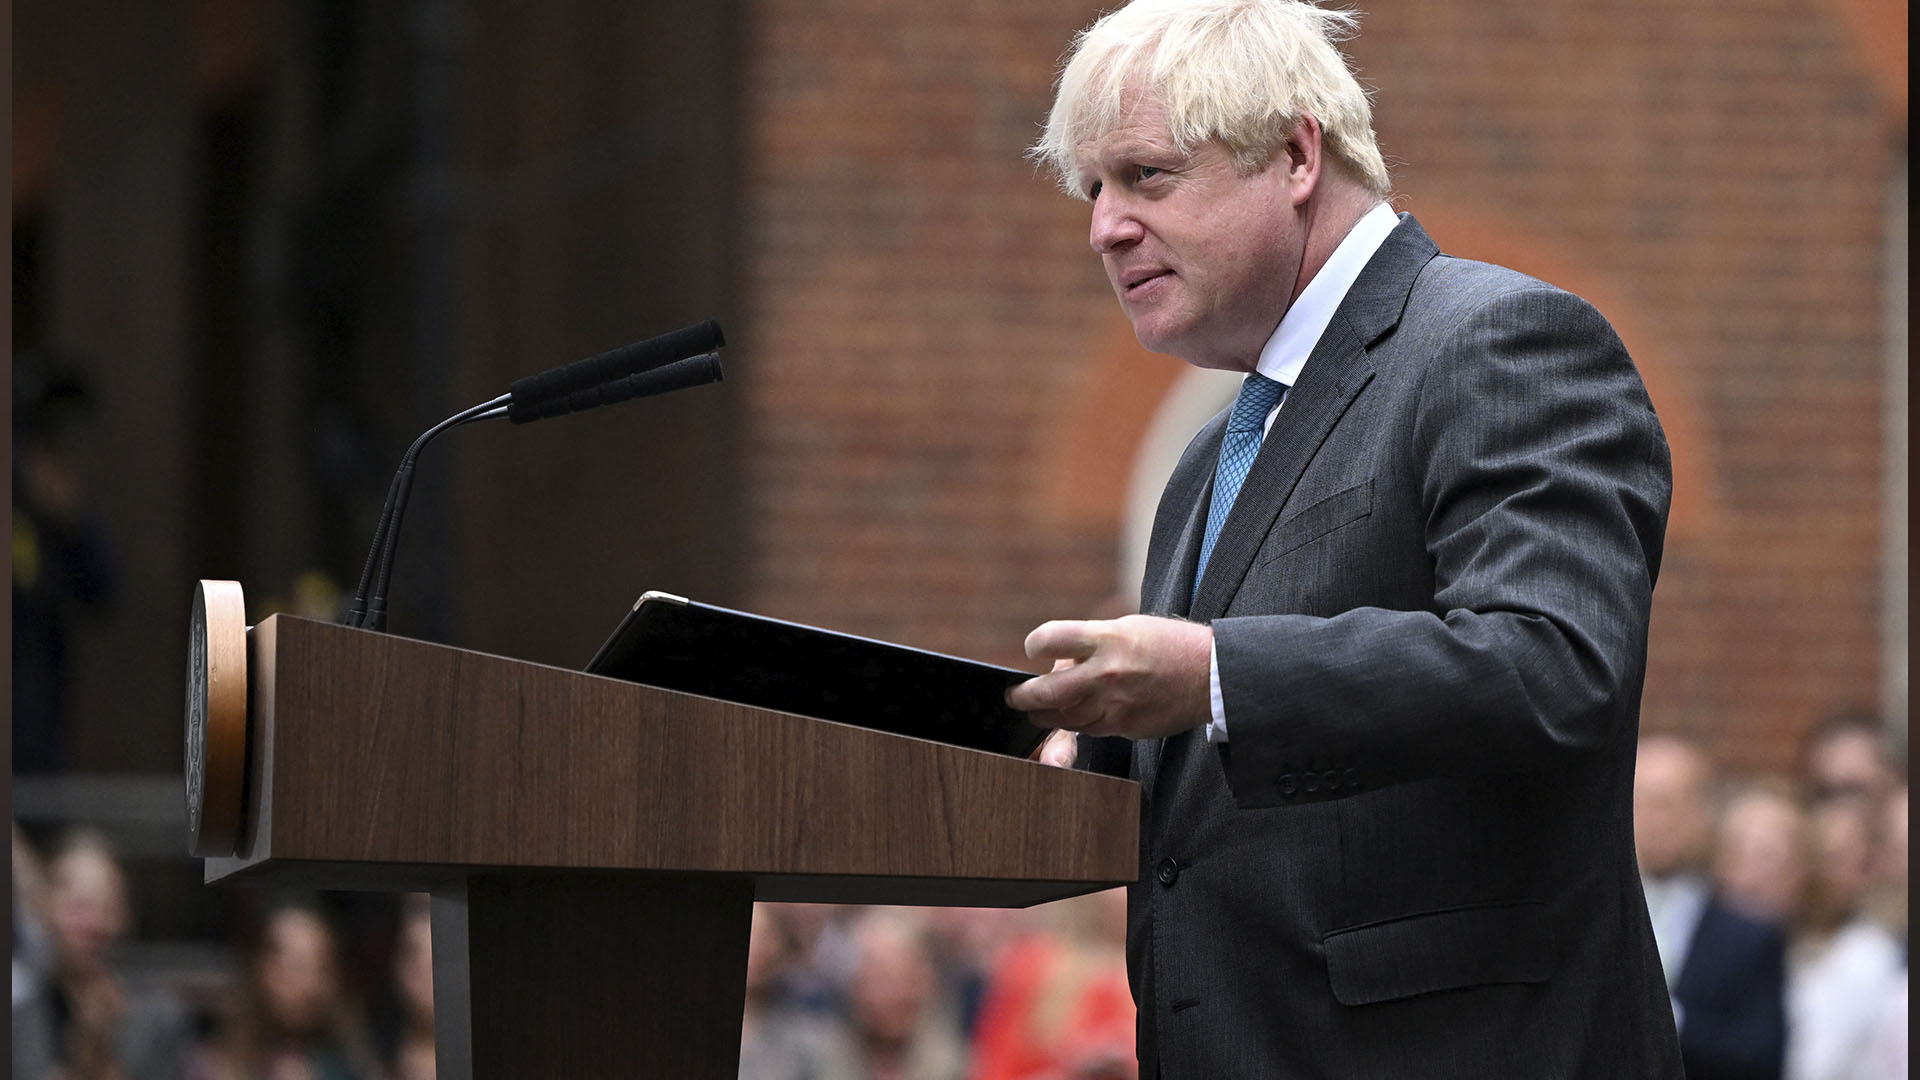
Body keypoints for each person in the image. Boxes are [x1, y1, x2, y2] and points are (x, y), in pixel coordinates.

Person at [1008, 1, 1679, 1075]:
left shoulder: (1498, 341)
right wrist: (1091, 750)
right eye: (1094, 189)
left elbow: (1555, 667)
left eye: (1145, 176)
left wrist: (1215, 674)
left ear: (1295, 154)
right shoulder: (1208, 460)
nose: (1105, 227)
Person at [1635, 735, 1789, 1080]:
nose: (1655, 821)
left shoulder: (1749, 935)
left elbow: (1761, 1053)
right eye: (1641, 803)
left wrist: (1672, 1020)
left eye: (1667, 804)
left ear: (1703, 813)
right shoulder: (1588, 924)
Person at [11, 829, 192, 1080]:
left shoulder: (160, 1016)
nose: (93, 924)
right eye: (78, 908)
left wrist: (99, 1047)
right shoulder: (19, 1020)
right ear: (44, 909)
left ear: (125, 916)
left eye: (107, 908)